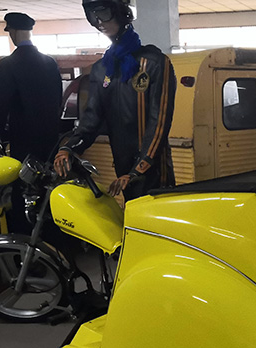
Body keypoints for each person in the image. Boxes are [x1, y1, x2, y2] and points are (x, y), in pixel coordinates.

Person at [54, 0, 176, 203]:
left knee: (153, 218)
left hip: (153, 170)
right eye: (92, 16)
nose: (99, 21)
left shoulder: (155, 63)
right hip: (123, 168)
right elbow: (91, 119)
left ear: (121, 12)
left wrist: (139, 169)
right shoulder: (102, 69)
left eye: (103, 13)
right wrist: (69, 148)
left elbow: (159, 123)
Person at [0, 12, 63, 232]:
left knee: (23, 188)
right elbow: (58, 100)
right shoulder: (49, 62)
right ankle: (52, 236)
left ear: (13, 32)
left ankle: (25, 239)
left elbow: (2, 105)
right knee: (48, 187)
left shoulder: (9, 64)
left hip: (23, 140)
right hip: (50, 140)